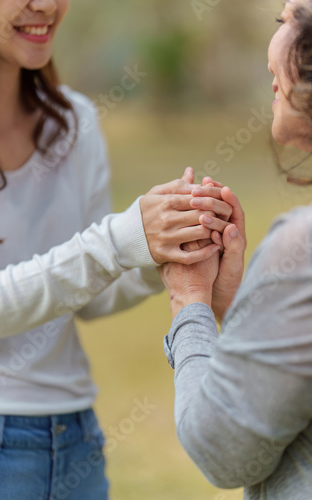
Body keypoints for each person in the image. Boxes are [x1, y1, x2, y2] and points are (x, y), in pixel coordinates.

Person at [0, 1, 242, 499]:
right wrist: (119, 241)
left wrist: (161, 252)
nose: (46, 5)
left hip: (75, 435)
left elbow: (93, 296)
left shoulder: (74, 121)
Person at [160, 1, 312, 498]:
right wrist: (242, 308)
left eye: (289, 19)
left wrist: (190, 301)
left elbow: (221, 450)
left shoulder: (302, 246)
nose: (279, 34)